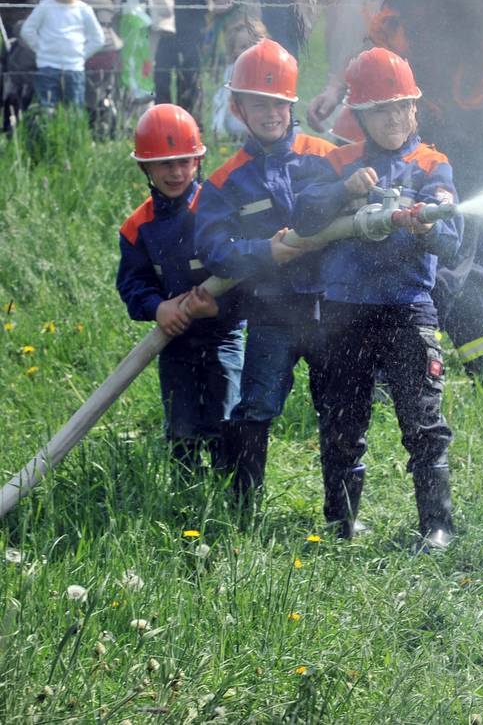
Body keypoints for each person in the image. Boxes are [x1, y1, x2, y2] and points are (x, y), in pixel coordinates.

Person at [292, 48, 462, 551]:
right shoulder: (337, 161)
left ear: (416, 108)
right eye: (381, 110)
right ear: (361, 115)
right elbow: (304, 219)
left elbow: (451, 238)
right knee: (342, 417)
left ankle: (437, 526)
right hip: (345, 308)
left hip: (407, 306)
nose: (394, 119)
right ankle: (341, 522)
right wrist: (344, 189)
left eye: (402, 107)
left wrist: (426, 220)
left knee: (423, 419)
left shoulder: (433, 164)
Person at [194, 38, 335, 508]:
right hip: (272, 311)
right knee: (256, 406)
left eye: (278, 103)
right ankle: (243, 507)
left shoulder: (328, 156)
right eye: (259, 104)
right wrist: (264, 252)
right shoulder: (225, 181)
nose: (270, 113)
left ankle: (343, 515)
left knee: (340, 408)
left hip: (332, 308)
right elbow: (214, 250)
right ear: (239, 107)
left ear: (291, 103)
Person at [116, 104, 244, 481]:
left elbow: (246, 274)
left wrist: (217, 308)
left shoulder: (218, 211)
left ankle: (230, 497)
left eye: (184, 161)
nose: (175, 172)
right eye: (164, 164)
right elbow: (132, 284)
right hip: (173, 340)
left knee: (225, 419)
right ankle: (186, 496)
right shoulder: (138, 227)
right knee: (182, 427)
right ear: (145, 169)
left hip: (223, 335)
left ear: (197, 161)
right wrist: (157, 308)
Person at [18, 0, 104, 110]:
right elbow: (27, 30)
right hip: (47, 67)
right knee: (47, 108)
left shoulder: (84, 10)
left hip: (74, 69)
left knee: (74, 108)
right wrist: (41, 49)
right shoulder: (45, 7)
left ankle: (72, 134)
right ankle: (49, 133)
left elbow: (98, 38)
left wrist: (81, 55)